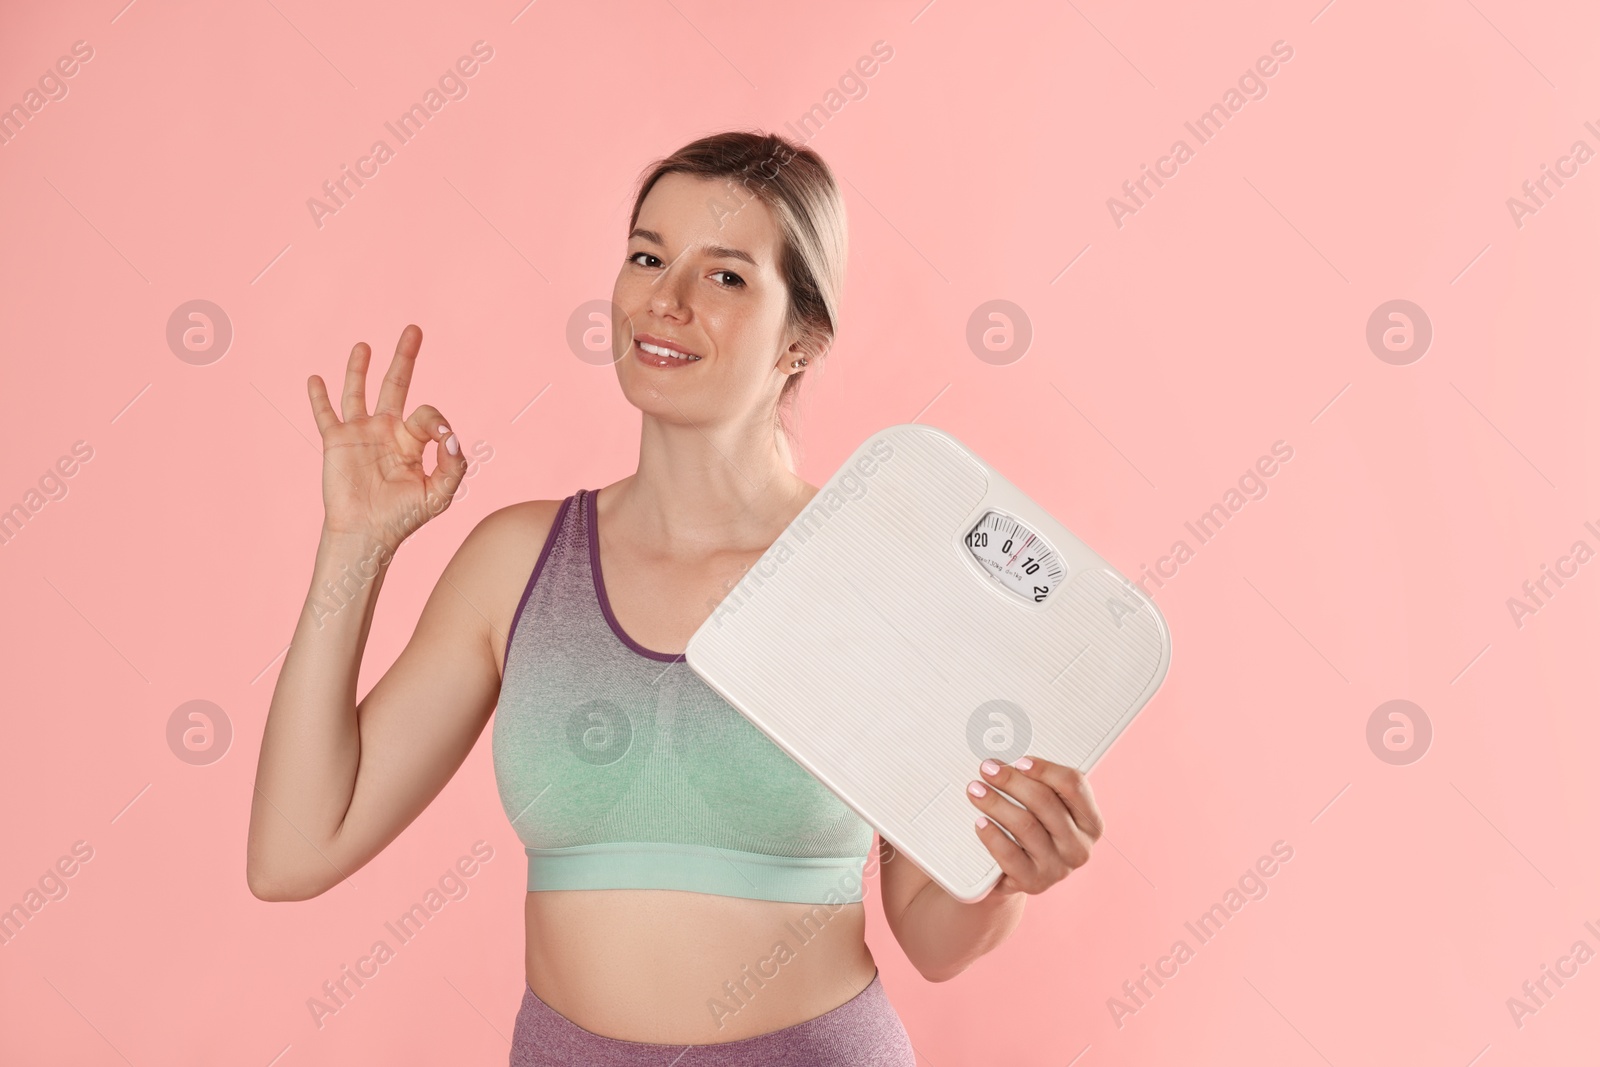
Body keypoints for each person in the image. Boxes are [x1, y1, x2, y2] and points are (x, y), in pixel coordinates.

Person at [246, 129, 1104, 1065]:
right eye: (648, 257)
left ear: (802, 338)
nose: (666, 299)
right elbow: (295, 850)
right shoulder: (519, 563)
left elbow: (933, 937)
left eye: (726, 276)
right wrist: (354, 546)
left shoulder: (871, 575)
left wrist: (1008, 871)